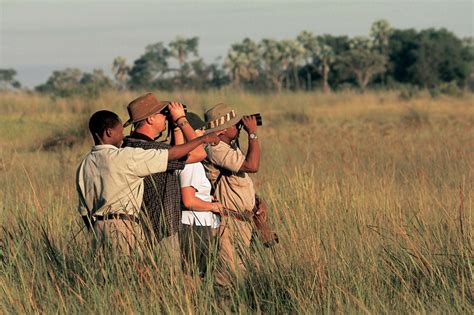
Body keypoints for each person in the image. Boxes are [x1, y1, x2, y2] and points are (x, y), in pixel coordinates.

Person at [76, 109, 219, 257]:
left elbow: (84, 211)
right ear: (109, 132)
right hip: (124, 226)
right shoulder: (125, 156)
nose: (123, 136)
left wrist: (97, 230)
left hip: (97, 229)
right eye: (120, 131)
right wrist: (199, 137)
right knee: (132, 276)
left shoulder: (85, 163)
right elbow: (178, 154)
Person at [121, 93, 206, 263]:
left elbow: (176, 150)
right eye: (162, 113)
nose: (166, 118)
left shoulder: (128, 145)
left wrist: (174, 129)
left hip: (136, 229)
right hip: (162, 229)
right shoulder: (153, 150)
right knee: (167, 283)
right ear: (151, 119)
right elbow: (199, 152)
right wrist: (182, 120)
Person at [202, 103, 260, 288]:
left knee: (240, 275)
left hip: (241, 221)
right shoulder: (216, 149)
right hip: (229, 222)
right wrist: (252, 133)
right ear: (223, 129)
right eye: (235, 124)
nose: (238, 127)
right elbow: (252, 166)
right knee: (227, 279)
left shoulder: (228, 147)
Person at [175, 112, 223, 279]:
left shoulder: (190, 160)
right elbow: (188, 200)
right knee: (193, 277)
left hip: (199, 224)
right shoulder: (190, 164)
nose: (203, 133)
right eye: (200, 129)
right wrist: (214, 206)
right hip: (195, 226)